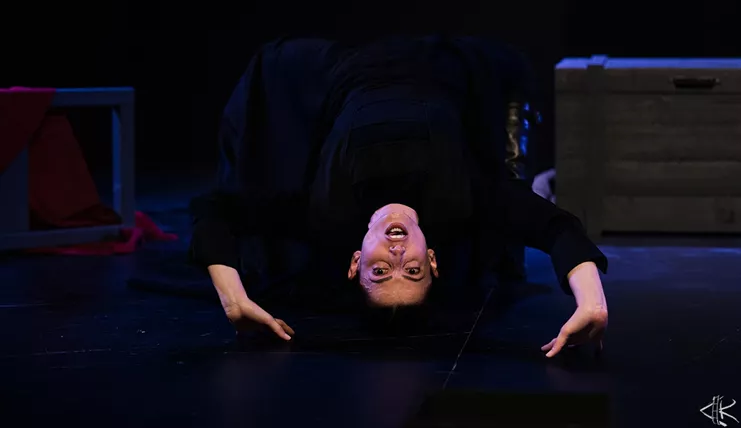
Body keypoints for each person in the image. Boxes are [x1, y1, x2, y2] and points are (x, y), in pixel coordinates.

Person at [189, 36, 608, 358]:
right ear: (432, 261)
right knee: (502, 62)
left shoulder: (326, 211)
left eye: (379, 271)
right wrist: (593, 302)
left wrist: (234, 301)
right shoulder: (462, 202)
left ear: (355, 262)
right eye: (411, 270)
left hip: (343, 70)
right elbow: (555, 228)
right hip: (436, 67)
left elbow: (215, 209)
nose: (396, 253)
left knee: (271, 67)